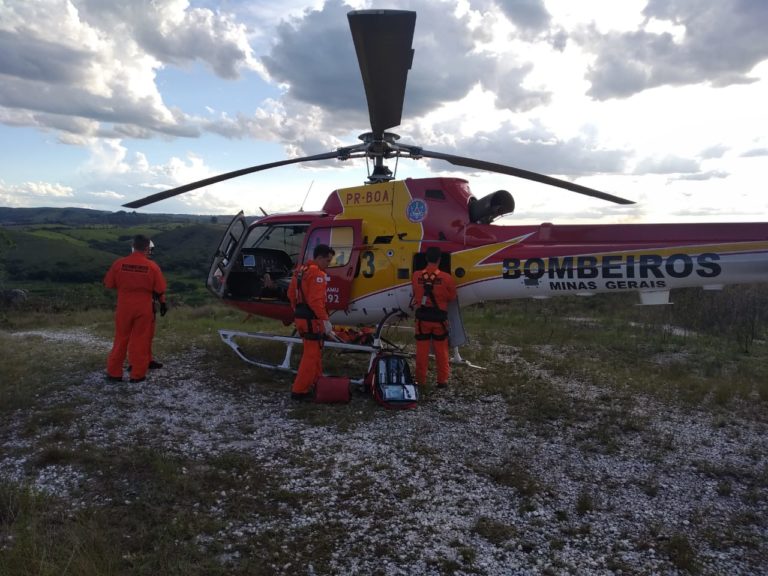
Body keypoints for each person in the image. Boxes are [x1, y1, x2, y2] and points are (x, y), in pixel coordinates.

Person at [104, 235, 167, 383]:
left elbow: (109, 284)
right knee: (141, 340)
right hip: (144, 307)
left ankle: (114, 373)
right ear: (146, 248)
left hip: (124, 307)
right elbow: (160, 289)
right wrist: (163, 303)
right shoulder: (152, 266)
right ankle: (137, 375)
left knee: (120, 339)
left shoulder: (119, 263)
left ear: (133, 246)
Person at [287, 243, 336, 400]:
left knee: (314, 353)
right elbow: (316, 301)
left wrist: (298, 311)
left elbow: (291, 295)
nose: (328, 265)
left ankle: (316, 382)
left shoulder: (300, 271)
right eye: (327, 261)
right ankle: (299, 391)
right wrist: (325, 320)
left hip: (301, 317)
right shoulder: (317, 274)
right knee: (310, 355)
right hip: (311, 319)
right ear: (320, 258)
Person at [411, 246, 457, 389]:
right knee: (441, 352)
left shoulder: (416, 276)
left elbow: (415, 291)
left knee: (421, 352)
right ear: (439, 260)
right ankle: (442, 381)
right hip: (439, 321)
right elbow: (452, 297)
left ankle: (420, 381)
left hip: (422, 321)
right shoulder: (447, 278)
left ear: (425, 258)